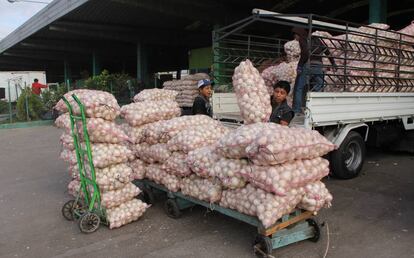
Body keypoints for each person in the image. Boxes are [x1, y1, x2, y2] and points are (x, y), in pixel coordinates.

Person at [292, 27, 337, 114]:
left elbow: (305, 53)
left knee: (299, 87)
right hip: (318, 66)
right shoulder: (316, 39)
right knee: (319, 85)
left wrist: (300, 66)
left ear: (299, 34)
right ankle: (312, 107)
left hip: (308, 65)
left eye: (295, 35)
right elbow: (326, 51)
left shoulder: (303, 39)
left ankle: (297, 110)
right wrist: (333, 62)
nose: (295, 38)